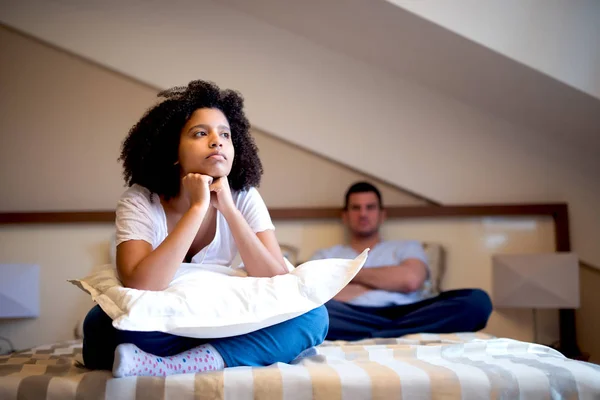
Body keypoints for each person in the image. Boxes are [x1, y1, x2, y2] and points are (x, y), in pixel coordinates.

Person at [82, 80, 328, 377]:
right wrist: (198, 208)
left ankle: (188, 363)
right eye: (201, 133)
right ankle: (235, 352)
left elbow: (276, 277)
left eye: (225, 134)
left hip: (229, 321)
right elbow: (142, 285)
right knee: (102, 325)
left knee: (314, 316)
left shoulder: (244, 196)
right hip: (165, 325)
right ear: (172, 150)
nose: (217, 141)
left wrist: (229, 210)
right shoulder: (139, 201)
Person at [311, 182, 492, 341]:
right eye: (356, 208)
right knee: (310, 312)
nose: (363, 214)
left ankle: (373, 334)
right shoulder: (326, 254)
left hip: (407, 312)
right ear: (345, 215)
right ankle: (397, 335)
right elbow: (313, 295)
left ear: (383, 214)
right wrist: (388, 281)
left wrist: (346, 274)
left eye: (370, 207)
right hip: (348, 315)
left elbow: (410, 281)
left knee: (477, 301)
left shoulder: (408, 247)